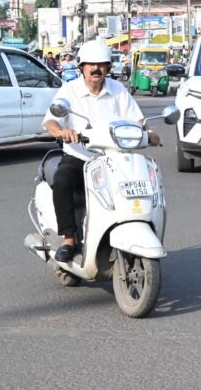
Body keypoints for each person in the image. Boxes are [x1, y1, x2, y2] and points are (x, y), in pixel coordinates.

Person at [42, 40, 159, 263]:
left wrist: (149, 132)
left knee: (141, 180)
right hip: (81, 157)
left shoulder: (118, 90)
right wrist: (62, 131)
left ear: (108, 67)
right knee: (63, 179)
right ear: (82, 67)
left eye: (101, 65)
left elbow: (137, 119)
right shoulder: (69, 90)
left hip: (115, 158)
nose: (96, 69)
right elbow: (50, 122)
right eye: (90, 65)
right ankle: (68, 239)